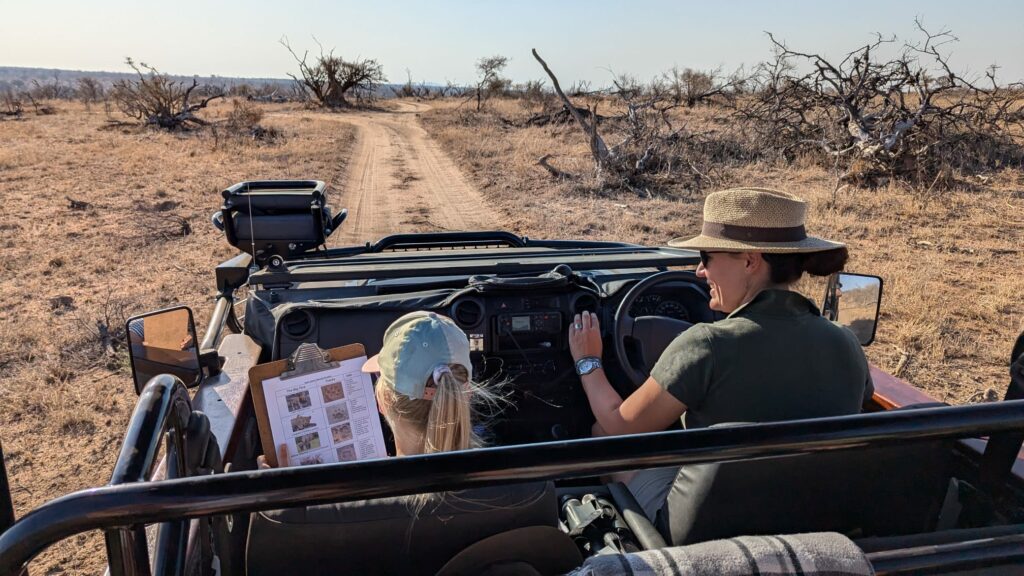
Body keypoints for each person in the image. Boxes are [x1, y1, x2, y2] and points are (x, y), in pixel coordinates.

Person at [567, 187, 874, 521]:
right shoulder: (846, 342)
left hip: (712, 525)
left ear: (749, 261)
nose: (700, 271)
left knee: (602, 434)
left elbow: (620, 425)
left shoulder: (706, 344)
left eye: (706, 256)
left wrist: (588, 361)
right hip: (816, 513)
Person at [261, 311, 492, 468]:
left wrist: (282, 491)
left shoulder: (339, 507)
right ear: (467, 395)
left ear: (383, 400)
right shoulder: (504, 480)